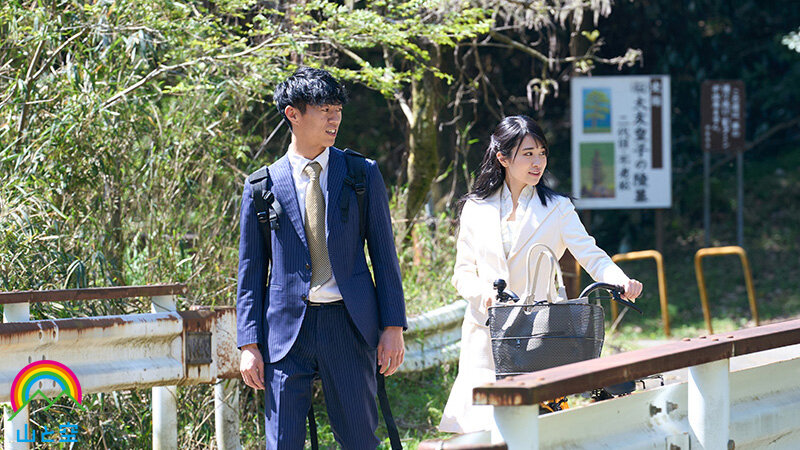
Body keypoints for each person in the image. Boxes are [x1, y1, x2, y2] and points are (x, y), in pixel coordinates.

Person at [236, 67, 407, 449]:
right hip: (284, 333)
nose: (335, 118)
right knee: (282, 443)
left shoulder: (361, 174)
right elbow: (250, 272)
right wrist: (249, 345)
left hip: (348, 324)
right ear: (293, 114)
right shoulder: (262, 186)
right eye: (324, 109)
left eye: (338, 109)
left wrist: (393, 325)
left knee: (360, 440)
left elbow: (384, 255)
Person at [439, 115, 643, 433]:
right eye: (528, 154)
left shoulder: (557, 208)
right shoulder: (475, 208)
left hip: (540, 334)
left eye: (542, 153)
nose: (538, 162)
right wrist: (485, 295)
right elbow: (462, 273)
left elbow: (591, 254)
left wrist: (619, 280)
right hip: (484, 332)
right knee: (482, 426)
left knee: (536, 426)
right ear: (503, 158)